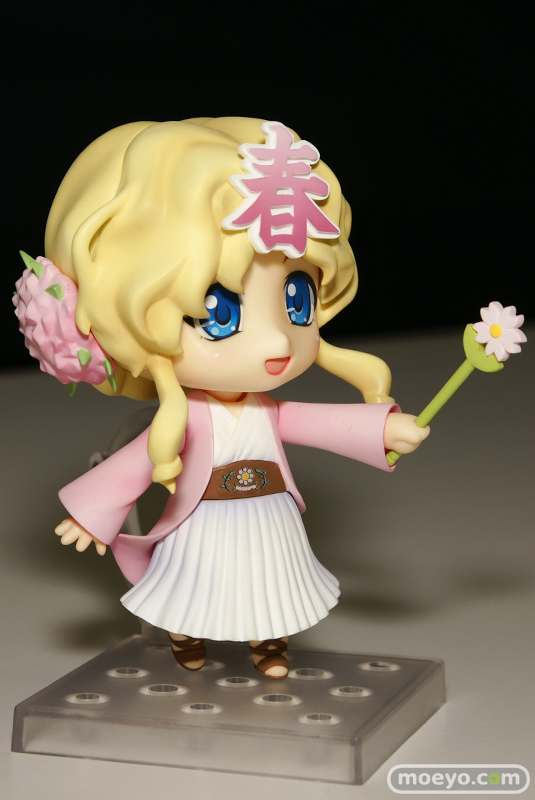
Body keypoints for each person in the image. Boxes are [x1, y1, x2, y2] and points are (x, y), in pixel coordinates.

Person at [15, 117, 429, 679]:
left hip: (267, 516)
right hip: (202, 520)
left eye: (297, 299)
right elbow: (135, 462)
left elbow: (318, 423)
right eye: (219, 314)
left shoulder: (266, 410)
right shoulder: (186, 416)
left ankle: (270, 644)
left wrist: (384, 430)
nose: (277, 341)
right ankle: (185, 633)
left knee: (273, 582)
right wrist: (92, 515)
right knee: (191, 581)